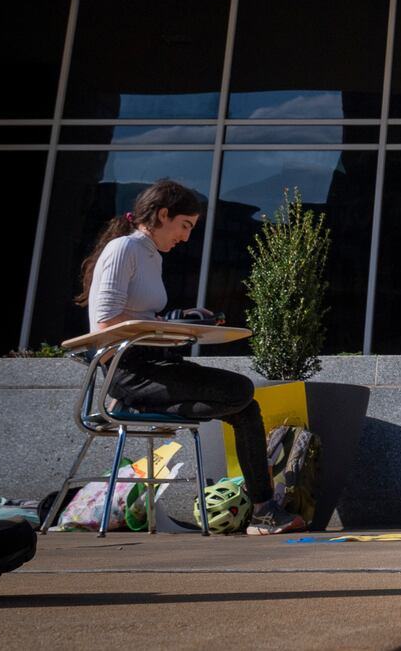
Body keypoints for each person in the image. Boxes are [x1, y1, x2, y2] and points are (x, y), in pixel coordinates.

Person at [78, 178, 305, 535]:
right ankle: (131, 405)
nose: (185, 237)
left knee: (246, 407)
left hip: (154, 364)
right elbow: (106, 321)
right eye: (184, 226)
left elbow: (143, 319)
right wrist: (167, 322)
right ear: (163, 215)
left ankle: (263, 511)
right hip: (127, 372)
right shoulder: (124, 248)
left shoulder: (150, 255)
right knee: (239, 391)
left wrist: (181, 322)